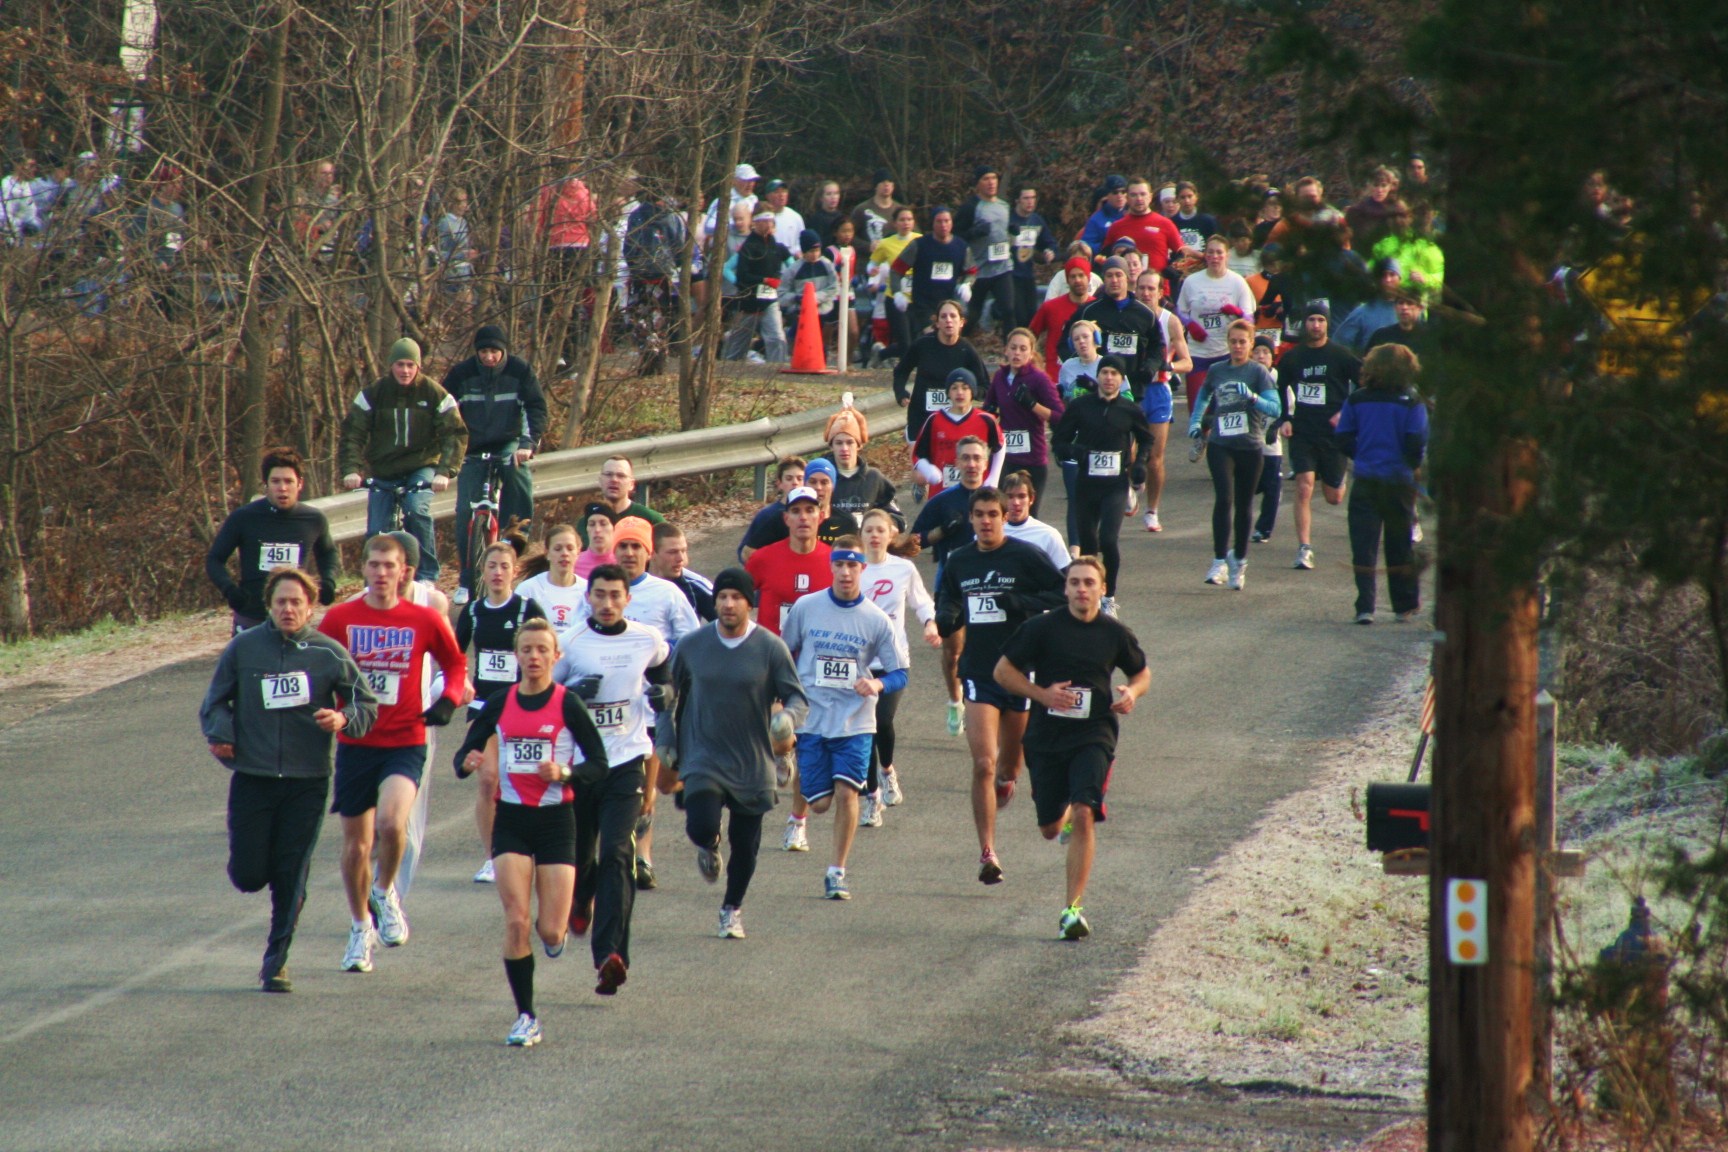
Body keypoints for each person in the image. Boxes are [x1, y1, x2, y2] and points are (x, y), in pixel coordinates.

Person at [200, 568, 378, 992]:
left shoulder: (328, 653)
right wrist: (221, 735)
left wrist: (342, 718)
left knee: (291, 873)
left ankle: (276, 962)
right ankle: (250, 874)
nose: (288, 608)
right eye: (281, 601)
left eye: (296, 602)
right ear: (269, 604)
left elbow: (365, 703)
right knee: (249, 874)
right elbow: (214, 703)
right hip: (254, 776)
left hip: (307, 780)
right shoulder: (244, 649)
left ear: (310, 606)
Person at [317, 534, 467, 974]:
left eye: (391, 566)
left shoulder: (423, 618)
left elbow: (455, 663)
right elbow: (317, 666)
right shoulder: (342, 618)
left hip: (406, 738)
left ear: (405, 572)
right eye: (374, 565)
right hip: (356, 742)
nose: (382, 573)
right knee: (356, 845)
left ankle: (384, 892)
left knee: (390, 823)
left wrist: (448, 699)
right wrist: (324, 709)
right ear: (363, 569)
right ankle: (360, 926)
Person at [455, 619, 609, 1043]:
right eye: (527, 649)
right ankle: (526, 1016)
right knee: (517, 920)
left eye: (543, 649)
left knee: (551, 931)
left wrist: (565, 771)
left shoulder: (567, 704)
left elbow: (599, 763)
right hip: (513, 822)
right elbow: (464, 752)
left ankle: (561, 927)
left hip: (557, 822)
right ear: (516, 656)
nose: (535, 657)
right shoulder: (501, 702)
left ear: (555, 657)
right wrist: (467, 763)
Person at [992, 555, 1150, 940]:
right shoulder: (1042, 628)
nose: (1081, 589)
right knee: (1050, 828)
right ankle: (1059, 815)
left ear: (1102, 588)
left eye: (1089, 583)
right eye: (1075, 582)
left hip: (1094, 734)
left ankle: (1072, 910)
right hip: (1045, 737)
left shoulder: (1114, 633)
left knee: (1084, 811)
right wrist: (1040, 694)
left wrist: (1132, 692)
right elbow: (1002, 671)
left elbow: (1141, 672)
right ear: (1065, 589)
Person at [547, 564, 670, 992]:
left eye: (616, 595)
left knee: (618, 853)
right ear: (589, 598)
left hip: (627, 761)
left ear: (628, 599)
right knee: (581, 858)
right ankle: (581, 898)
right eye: (599, 595)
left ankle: (610, 956)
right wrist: (573, 696)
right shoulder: (571, 644)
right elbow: (544, 695)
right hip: (581, 766)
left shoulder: (646, 639)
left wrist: (666, 693)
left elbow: (665, 671)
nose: (607, 603)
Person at [935, 487, 1066, 885]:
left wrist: (1021, 603)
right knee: (983, 764)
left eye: (994, 513)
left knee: (1008, 767)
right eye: (979, 514)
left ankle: (1008, 781)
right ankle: (988, 852)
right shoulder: (960, 560)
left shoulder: (1024, 555)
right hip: (979, 673)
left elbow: (1062, 593)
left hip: (1021, 673)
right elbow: (949, 598)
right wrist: (947, 614)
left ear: (1005, 516)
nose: (986, 520)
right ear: (971, 519)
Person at [671, 568, 807, 939]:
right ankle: (709, 845)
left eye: (736, 598)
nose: (728, 605)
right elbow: (668, 692)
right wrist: (668, 741)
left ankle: (731, 909)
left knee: (745, 846)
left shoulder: (769, 648)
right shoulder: (693, 645)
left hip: (752, 758)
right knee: (700, 824)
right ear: (714, 603)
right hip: (704, 753)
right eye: (722, 598)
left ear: (750, 603)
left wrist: (788, 720)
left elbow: (796, 696)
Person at [781, 537, 906, 899]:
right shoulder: (806, 607)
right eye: (840, 565)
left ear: (863, 570)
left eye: (853, 565)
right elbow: (784, 651)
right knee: (820, 802)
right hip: (812, 717)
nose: (846, 572)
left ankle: (837, 871)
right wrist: (782, 696)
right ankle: (795, 780)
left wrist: (877, 683)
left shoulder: (876, 620)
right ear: (831, 567)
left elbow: (900, 673)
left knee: (848, 791)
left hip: (856, 721)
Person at [339, 338, 469, 584]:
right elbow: (352, 434)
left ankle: (427, 575)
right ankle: (371, 584)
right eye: (400, 364)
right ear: (391, 365)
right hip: (384, 471)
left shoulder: (434, 393)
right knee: (376, 531)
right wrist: (351, 469)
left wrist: (445, 471)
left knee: (416, 510)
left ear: (419, 366)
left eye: (411, 364)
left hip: (421, 467)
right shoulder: (373, 394)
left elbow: (455, 433)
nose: (405, 370)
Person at [456, 541, 547, 884]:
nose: (497, 573)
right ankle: (493, 857)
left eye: (504, 567)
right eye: (491, 566)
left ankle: (533, 848)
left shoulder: (527, 609)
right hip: (484, 707)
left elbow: (550, 650)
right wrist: (456, 683)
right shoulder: (475, 612)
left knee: (527, 778)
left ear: (513, 571)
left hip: (522, 705)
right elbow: (453, 654)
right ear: (483, 571)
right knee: (489, 778)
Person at [444, 325, 547, 603]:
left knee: (517, 471)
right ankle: (467, 579)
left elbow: (535, 408)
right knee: (466, 509)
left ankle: (517, 532)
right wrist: (449, 451)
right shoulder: (460, 375)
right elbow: (446, 414)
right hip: (472, 445)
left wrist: (527, 444)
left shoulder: (519, 371)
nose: (489, 357)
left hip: (508, 441)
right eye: (484, 351)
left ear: (503, 351)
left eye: (494, 351)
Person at [1335, 344, 1428, 623]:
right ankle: (1404, 605)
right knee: (1400, 544)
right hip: (1399, 482)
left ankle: (1365, 606)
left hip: (1365, 478)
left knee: (1363, 546)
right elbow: (1417, 440)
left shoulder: (1357, 399)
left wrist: (1361, 455)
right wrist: (1410, 466)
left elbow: (1343, 437)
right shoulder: (1412, 401)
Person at [1050, 356, 1151, 614]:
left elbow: (1146, 438)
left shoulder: (1129, 409)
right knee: (1088, 544)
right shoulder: (1081, 406)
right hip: (1086, 484)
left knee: (1108, 540)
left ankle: (1109, 598)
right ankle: (1089, 596)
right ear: (1098, 376)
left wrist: (1140, 462)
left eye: (1114, 373)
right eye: (1104, 372)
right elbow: (1059, 441)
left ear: (1121, 379)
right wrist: (1075, 451)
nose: (1108, 378)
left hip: (1115, 484)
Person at [858, 508, 938, 825]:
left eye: (881, 530)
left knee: (882, 721)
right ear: (861, 535)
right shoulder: (853, 569)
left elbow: (921, 602)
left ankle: (887, 769)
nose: (875, 535)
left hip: (893, 660)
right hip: (859, 662)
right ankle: (872, 799)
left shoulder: (903, 569)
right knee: (865, 728)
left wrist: (930, 624)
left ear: (891, 534)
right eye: (869, 530)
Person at [1188, 321, 1281, 590]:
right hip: (1221, 444)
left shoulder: (1258, 372)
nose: (1238, 347)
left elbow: (1275, 409)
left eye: (1243, 342)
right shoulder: (1217, 370)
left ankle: (1239, 560)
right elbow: (1204, 395)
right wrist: (1196, 423)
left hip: (1250, 447)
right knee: (1224, 499)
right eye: (1233, 341)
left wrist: (1253, 398)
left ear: (1251, 344)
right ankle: (1218, 560)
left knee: (1243, 505)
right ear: (1227, 343)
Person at [206, 447, 339, 633]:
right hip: (252, 617)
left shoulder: (313, 519)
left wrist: (328, 582)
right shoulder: (244, 518)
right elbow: (214, 559)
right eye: (275, 481)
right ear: (266, 484)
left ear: (300, 484)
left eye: (288, 481)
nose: (282, 488)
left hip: (294, 618)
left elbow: (328, 553)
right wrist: (230, 590)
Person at [909, 437, 992, 736]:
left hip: (989, 586)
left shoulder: (995, 502)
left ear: (985, 463)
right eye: (965, 458)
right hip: (952, 585)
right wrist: (942, 532)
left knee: (985, 651)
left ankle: (979, 703)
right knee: (954, 653)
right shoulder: (942, 501)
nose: (971, 464)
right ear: (956, 463)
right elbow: (914, 542)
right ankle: (955, 700)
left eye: (976, 458)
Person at [1278, 303, 1361, 570]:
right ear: (1305, 324)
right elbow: (1281, 389)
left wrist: (1348, 414)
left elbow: (1364, 384)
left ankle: (1339, 475)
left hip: (1333, 434)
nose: (1316, 325)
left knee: (1334, 497)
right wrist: (1285, 419)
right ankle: (1304, 548)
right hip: (1303, 430)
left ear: (1327, 324)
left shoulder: (1341, 356)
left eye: (1320, 321)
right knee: (1304, 485)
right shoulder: (1293, 358)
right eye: (1311, 320)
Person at [1130, 269, 1193, 532]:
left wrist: (1168, 366)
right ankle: (1132, 485)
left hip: (1157, 391)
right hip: (1131, 390)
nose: (1145, 293)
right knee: (1128, 451)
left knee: (1155, 458)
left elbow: (1187, 363)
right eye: (1141, 288)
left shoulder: (1170, 321)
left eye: (1150, 289)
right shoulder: (1128, 317)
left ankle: (1152, 510)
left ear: (1160, 292)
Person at [892, 299, 988, 464]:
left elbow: (985, 386)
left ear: (961, 322)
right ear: (937, 322)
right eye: (943, 317)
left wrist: (967, 393)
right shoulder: (923, 345)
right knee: (922, 470)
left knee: (946, 466)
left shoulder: (966, 350)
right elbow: (901, 371)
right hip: (920, 415)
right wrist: (901, 393)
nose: (948, 320)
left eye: (953, 316)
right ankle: (920, 487)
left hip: (953, 419)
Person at [984, 328, 1064, 514]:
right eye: (1013, 348)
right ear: (1006, 350)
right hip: (1004, 457)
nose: (1017, 353)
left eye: (1022, 349)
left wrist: (1033, 404)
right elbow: (989, 409)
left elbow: (1060, 416)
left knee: (1028, 515)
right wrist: (989, 416)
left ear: (1031, 353)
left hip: (1032, 459)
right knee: (1002, 511)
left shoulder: (1039, 379)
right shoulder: (1000, 377)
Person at [1175, 236, 1258, 410]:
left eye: (1219, 252)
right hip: (1198, 353)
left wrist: (1237, 313)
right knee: (1199, 411)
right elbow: (1180, 310)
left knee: (1227, 408)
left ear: (1227, 255)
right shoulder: (1192, 282)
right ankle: (1202, 437)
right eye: (1210, 252)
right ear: (1205, 255)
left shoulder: (1237, 282)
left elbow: (1249, 319)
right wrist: (1190, 324)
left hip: (1226, 353)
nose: (1215, 257)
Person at [1066, 257, 1162, 401]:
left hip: (1133, 390)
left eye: (1118, 275)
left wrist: (1149, 368)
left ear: (1128, 277)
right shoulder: (1089, 311)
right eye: (1109, 275)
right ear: (1103, 279)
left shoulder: (1146, 314)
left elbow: (1158, 346)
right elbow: (1065, 341)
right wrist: (1078, 366)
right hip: (1094, 389)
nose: (1114, 280)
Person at [744, 486, 833, 643]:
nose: (803, 517)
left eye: (810, 510)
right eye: (796, 511)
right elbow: (739, 598)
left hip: (817, 654)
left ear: (820, 517)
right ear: (786, 519)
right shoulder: (762, 559)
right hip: (773, 655)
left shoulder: (835, 562)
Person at [913, 368, 1004, 499]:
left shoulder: (986, 420)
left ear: (972, 392)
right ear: (948, 393)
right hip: (941, 493)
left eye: (965, 388)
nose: (960, 392)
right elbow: (917, 455)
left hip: (977, 493)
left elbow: (1000, 446)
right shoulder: (934, 420)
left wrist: (993, 478)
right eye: (954, 388)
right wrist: (928, 469)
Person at [952, 166, 1014, 342]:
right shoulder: (971, 207)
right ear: (978, 184)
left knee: (1009, 309)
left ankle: (1010, 350)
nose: (991, 182)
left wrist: (1012, 230)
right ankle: (956, 344)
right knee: (971, 316)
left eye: (994, 178)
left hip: (1003, 267)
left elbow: (1003, 230)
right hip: (978, 270)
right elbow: (955, 235)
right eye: (986, 179)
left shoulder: (1004, 206)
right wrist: (973, 232)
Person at [721, 210, 792, 363]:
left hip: (769, 298)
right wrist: (764, 280)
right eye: (764, 221)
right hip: (749, 299)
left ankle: (777, 370)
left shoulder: (777, 247)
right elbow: (742, 275)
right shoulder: (748, 247)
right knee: (739, 342)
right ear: (756, 223)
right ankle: (726, 368)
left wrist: (784, 282)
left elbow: (792, 267)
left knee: (776, 337)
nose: (768, 225)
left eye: (771, 221)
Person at [890, 206, 970, 340]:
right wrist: (897, 292)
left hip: (950, 304)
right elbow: (896, 270)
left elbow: (971, 270)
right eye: (939, 221)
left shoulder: (961, 246)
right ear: (932, 224)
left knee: (949, 339)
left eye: (947, 221)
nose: (943, 225)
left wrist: (967, 284)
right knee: (933, 337)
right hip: (924, 304)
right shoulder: (919, 245)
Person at [821, 403, 902, 529]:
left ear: (859, 445)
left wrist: (890, 527)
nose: (844, 449)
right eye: (838, 443)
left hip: (864, 546)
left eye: (850, 442)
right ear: (831, 446)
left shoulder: (874, 478)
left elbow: (897, 518)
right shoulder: (820, 478)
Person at [1248, 334, 1293, 545]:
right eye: (1256, 352)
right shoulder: (1246, 376)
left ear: (1272, 356)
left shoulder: (1279, 379)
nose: (1261, 356)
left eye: (1265, 352)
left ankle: (1263, 529)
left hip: (1271, 444)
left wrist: (1277, 426)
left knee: (1272, 486)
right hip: (1248, 441)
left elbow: (1287, 409)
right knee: (1251, 485)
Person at [1102, 179, 1188, 276]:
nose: (1139, 199)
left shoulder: (1165, 224)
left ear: (1150, 197)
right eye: (1134, 195)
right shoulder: (1116, 227)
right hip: (1127, 287)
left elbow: (1182, 255)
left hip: (1158, 286)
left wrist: (1171, 269)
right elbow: (1105, 257)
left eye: (1143, 194)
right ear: (1127, 198)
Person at [1030, 257, 1096, 380]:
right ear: (1067, 280)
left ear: (1089, 278)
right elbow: (1030, 336)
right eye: (1073, 276)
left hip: (1091, 375)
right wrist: (1035, 363)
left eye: (1081, 275)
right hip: (1056, 375)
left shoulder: (1097, 307)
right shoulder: (1051, 307)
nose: (1077, 280)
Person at [868, 206, 920, 358]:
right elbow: (872, 264)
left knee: (916, 341)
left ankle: (881, 354)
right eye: (902, 220)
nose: (906, 223)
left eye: (909, 219)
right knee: (905, 343)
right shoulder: (885, 244)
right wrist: (872, 270)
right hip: (894, 297)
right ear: (894, 223)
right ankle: (903, 372)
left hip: (916, 297)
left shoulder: (920, 240)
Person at [515, 524, 590, 631]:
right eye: (558, 549)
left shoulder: (588, 590)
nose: (564, 553)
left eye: (570, 548)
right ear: (547, 553)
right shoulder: (528, 589)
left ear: (578, 552)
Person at [580, 455, 665, 545]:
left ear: (631, 484)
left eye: (621, 476)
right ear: (600, 481)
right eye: (609, 474)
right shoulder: (586, 522)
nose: (614, 480)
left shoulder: (651, 520)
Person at [1008, 186, 1060, 327]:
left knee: (1032, 315)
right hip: (1010, 274)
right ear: (1017, 200)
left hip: (1028, 273)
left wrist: (1050, 251)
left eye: (1033, 198)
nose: (1030, 202)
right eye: (1026, 198)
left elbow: (1049, 242)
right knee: (1018, 315)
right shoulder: (1008, 219)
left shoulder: (1036, 220)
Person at [1000, 470, 1071, 572]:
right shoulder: (990, 534)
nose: (1016, 502)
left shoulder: (1048, 535)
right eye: (1010, 496)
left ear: (1032, 498)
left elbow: (1066, 577)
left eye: (1021, 496)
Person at [739, 456, 806, 560]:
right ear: (779, 483)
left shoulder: (813, 514)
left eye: (800, 478)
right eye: (789, 478)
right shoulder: (768, 516)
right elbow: (746, 553)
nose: (795, 483)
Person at [1334, 258, 1405, 354]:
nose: (1388, 280)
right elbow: (1339, 343)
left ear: (1399, 278)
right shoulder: (1363, 312)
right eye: (1383, 275)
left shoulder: (1409, 310)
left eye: (1392, 275)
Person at [650, 522, 716, 622]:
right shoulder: (631, 583)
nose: (681, 558)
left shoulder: (697, 586)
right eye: (672, 552)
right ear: (652, 553)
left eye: (683, 551)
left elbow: (731, 627)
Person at [800, 458, 862, 544]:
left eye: (824, 482)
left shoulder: (847, 522)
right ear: (804, 484)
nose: (818, 487)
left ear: (833, 486)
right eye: (813, 482)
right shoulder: (794, 521)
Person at [849, 168, 903, 262]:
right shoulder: (862, 209)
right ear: (875, 186)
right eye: (882, 182)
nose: (886, 185)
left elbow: (914, 235)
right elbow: (849, 235)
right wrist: (868, 246)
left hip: (893, 264)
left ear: (893, 186)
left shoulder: (901, 210)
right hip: (867, 264)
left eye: (889, 182)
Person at [1345, 166, 1401, 255]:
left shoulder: (1398, 210)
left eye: (1383, 185)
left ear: (1390, 187)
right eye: (1376, 185)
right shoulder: (1357, 211)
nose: (1379, 190)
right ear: (1370, 185)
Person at [1364, 293, 1436, 361]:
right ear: (1395, 308)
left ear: (1419, 308)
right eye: (1400, 303)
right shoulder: (1382, 335)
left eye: (1410, 303)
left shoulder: (1430, 337)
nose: (1404, 307)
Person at [1077, 175, 1128, 252]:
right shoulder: (1096, 219)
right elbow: (1085, 245)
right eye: (1115, 192)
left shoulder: (1133, 214)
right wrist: (1106, 246)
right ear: (1107, 195)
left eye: (1123, 192)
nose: (1120, 195)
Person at [758, 178, 806, 253]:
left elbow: (802, 242)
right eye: (776, 192)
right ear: (768, 196)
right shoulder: (762, 218)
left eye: (784, 191)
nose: (781, 195)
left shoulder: (795, 217)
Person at [575, 507, 617, 579]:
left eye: (603, 524)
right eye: (592, 524)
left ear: (613, 528)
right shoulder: (574, 563)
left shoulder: (622, 561)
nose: (597, 529)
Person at [806, 180, 846, 246]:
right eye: (829, 194)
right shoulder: (815, 218)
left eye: (836, 193)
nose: (833, 197)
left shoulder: (841, 217)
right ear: (821, 197)